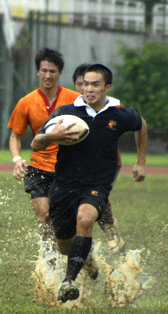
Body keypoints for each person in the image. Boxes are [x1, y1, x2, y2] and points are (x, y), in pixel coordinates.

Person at [31, 64, 147, 303]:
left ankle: (68, 282)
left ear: (107, 88)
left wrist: (140, 162)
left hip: (97, 183)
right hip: (64, 184)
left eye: (96, 84)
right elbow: (36, 143)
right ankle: (87, 260)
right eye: (85, 84)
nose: (89, 89)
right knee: (64, 246)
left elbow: (141, 124)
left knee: (85, 217)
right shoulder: (66, 112)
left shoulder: (118, 114)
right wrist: (53, 136)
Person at [7, 48, 79, 249]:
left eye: (53, 71)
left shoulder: (75, 99)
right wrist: (17, 159)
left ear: (60, 73)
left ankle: (79, 250)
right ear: (37, 72)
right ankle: (48, 261)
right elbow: (15, 135)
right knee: (43, 216)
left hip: (67, 168)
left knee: (64, 220)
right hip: (38, 167)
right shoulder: (26, 102)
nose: (48, 75)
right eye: (44, 70)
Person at [72, 63, 125, 253]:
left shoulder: (112, 107)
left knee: (96, 195)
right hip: (76, 162)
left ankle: (109, 228)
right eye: (81, 84)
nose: (85, 88)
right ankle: (82, 247)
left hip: (107, 162)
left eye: (91, 84)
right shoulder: (71, 107)